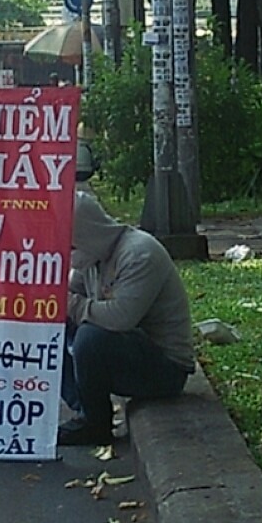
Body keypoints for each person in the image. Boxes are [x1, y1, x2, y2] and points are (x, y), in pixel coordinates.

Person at [59, 191, 195, 447]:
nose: (69, 254)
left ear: (88, 234)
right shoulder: (94, 257)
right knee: (51, 327)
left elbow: (120, 318)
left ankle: (96, 424)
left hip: (165, 367)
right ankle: (83, 405)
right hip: (131, 353)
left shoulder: (138, 254)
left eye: (71, 246)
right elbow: (70, 294)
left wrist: (66, 303)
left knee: (90, 337)